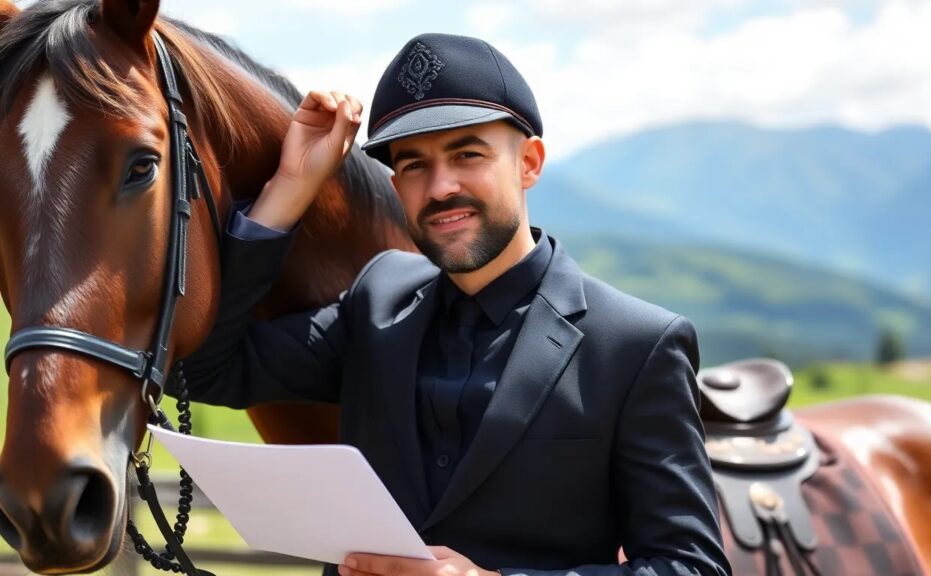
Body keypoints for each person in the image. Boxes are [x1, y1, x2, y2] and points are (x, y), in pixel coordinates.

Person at [178, 33, 730, 576]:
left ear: (529, 162)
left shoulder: (636, 345)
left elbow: (691, 566)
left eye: (467, 154)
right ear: (397, 187)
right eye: (413, 165)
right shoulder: (376, 300)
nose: (440, 187)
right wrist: (292, 187)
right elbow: (205, 368)